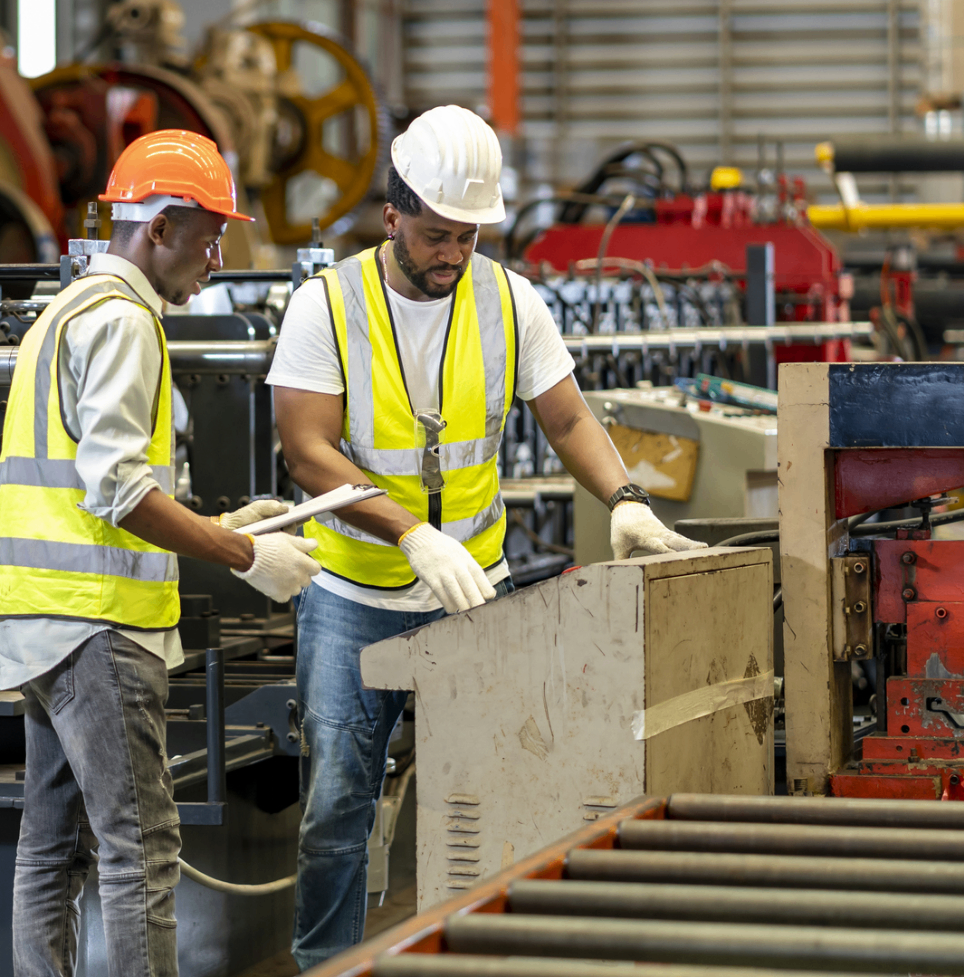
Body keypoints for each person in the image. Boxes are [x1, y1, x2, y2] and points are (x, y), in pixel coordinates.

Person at [268, 105, 704, 969]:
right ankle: (326, 966)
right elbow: (306, 451)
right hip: (353, 596)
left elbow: (569, 415)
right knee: (336, 811)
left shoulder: (508, 299)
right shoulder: (326, 305)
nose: (454, 255)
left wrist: (625, 496)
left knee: (501, 794)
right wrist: (406, 534)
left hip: (474, 588)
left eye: (468, 237)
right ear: (392, 214)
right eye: (436, 235)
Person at [0, 130, 325, 977]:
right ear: (160, 229)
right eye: (209, 236)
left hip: (36, 615)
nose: (217, 257)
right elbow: (119, 491)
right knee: (141, 847)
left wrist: (217, 519)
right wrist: (242, 553)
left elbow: (93, 479)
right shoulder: (128, 322)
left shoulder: (65, 309)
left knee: (51, 845)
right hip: (96, 625)